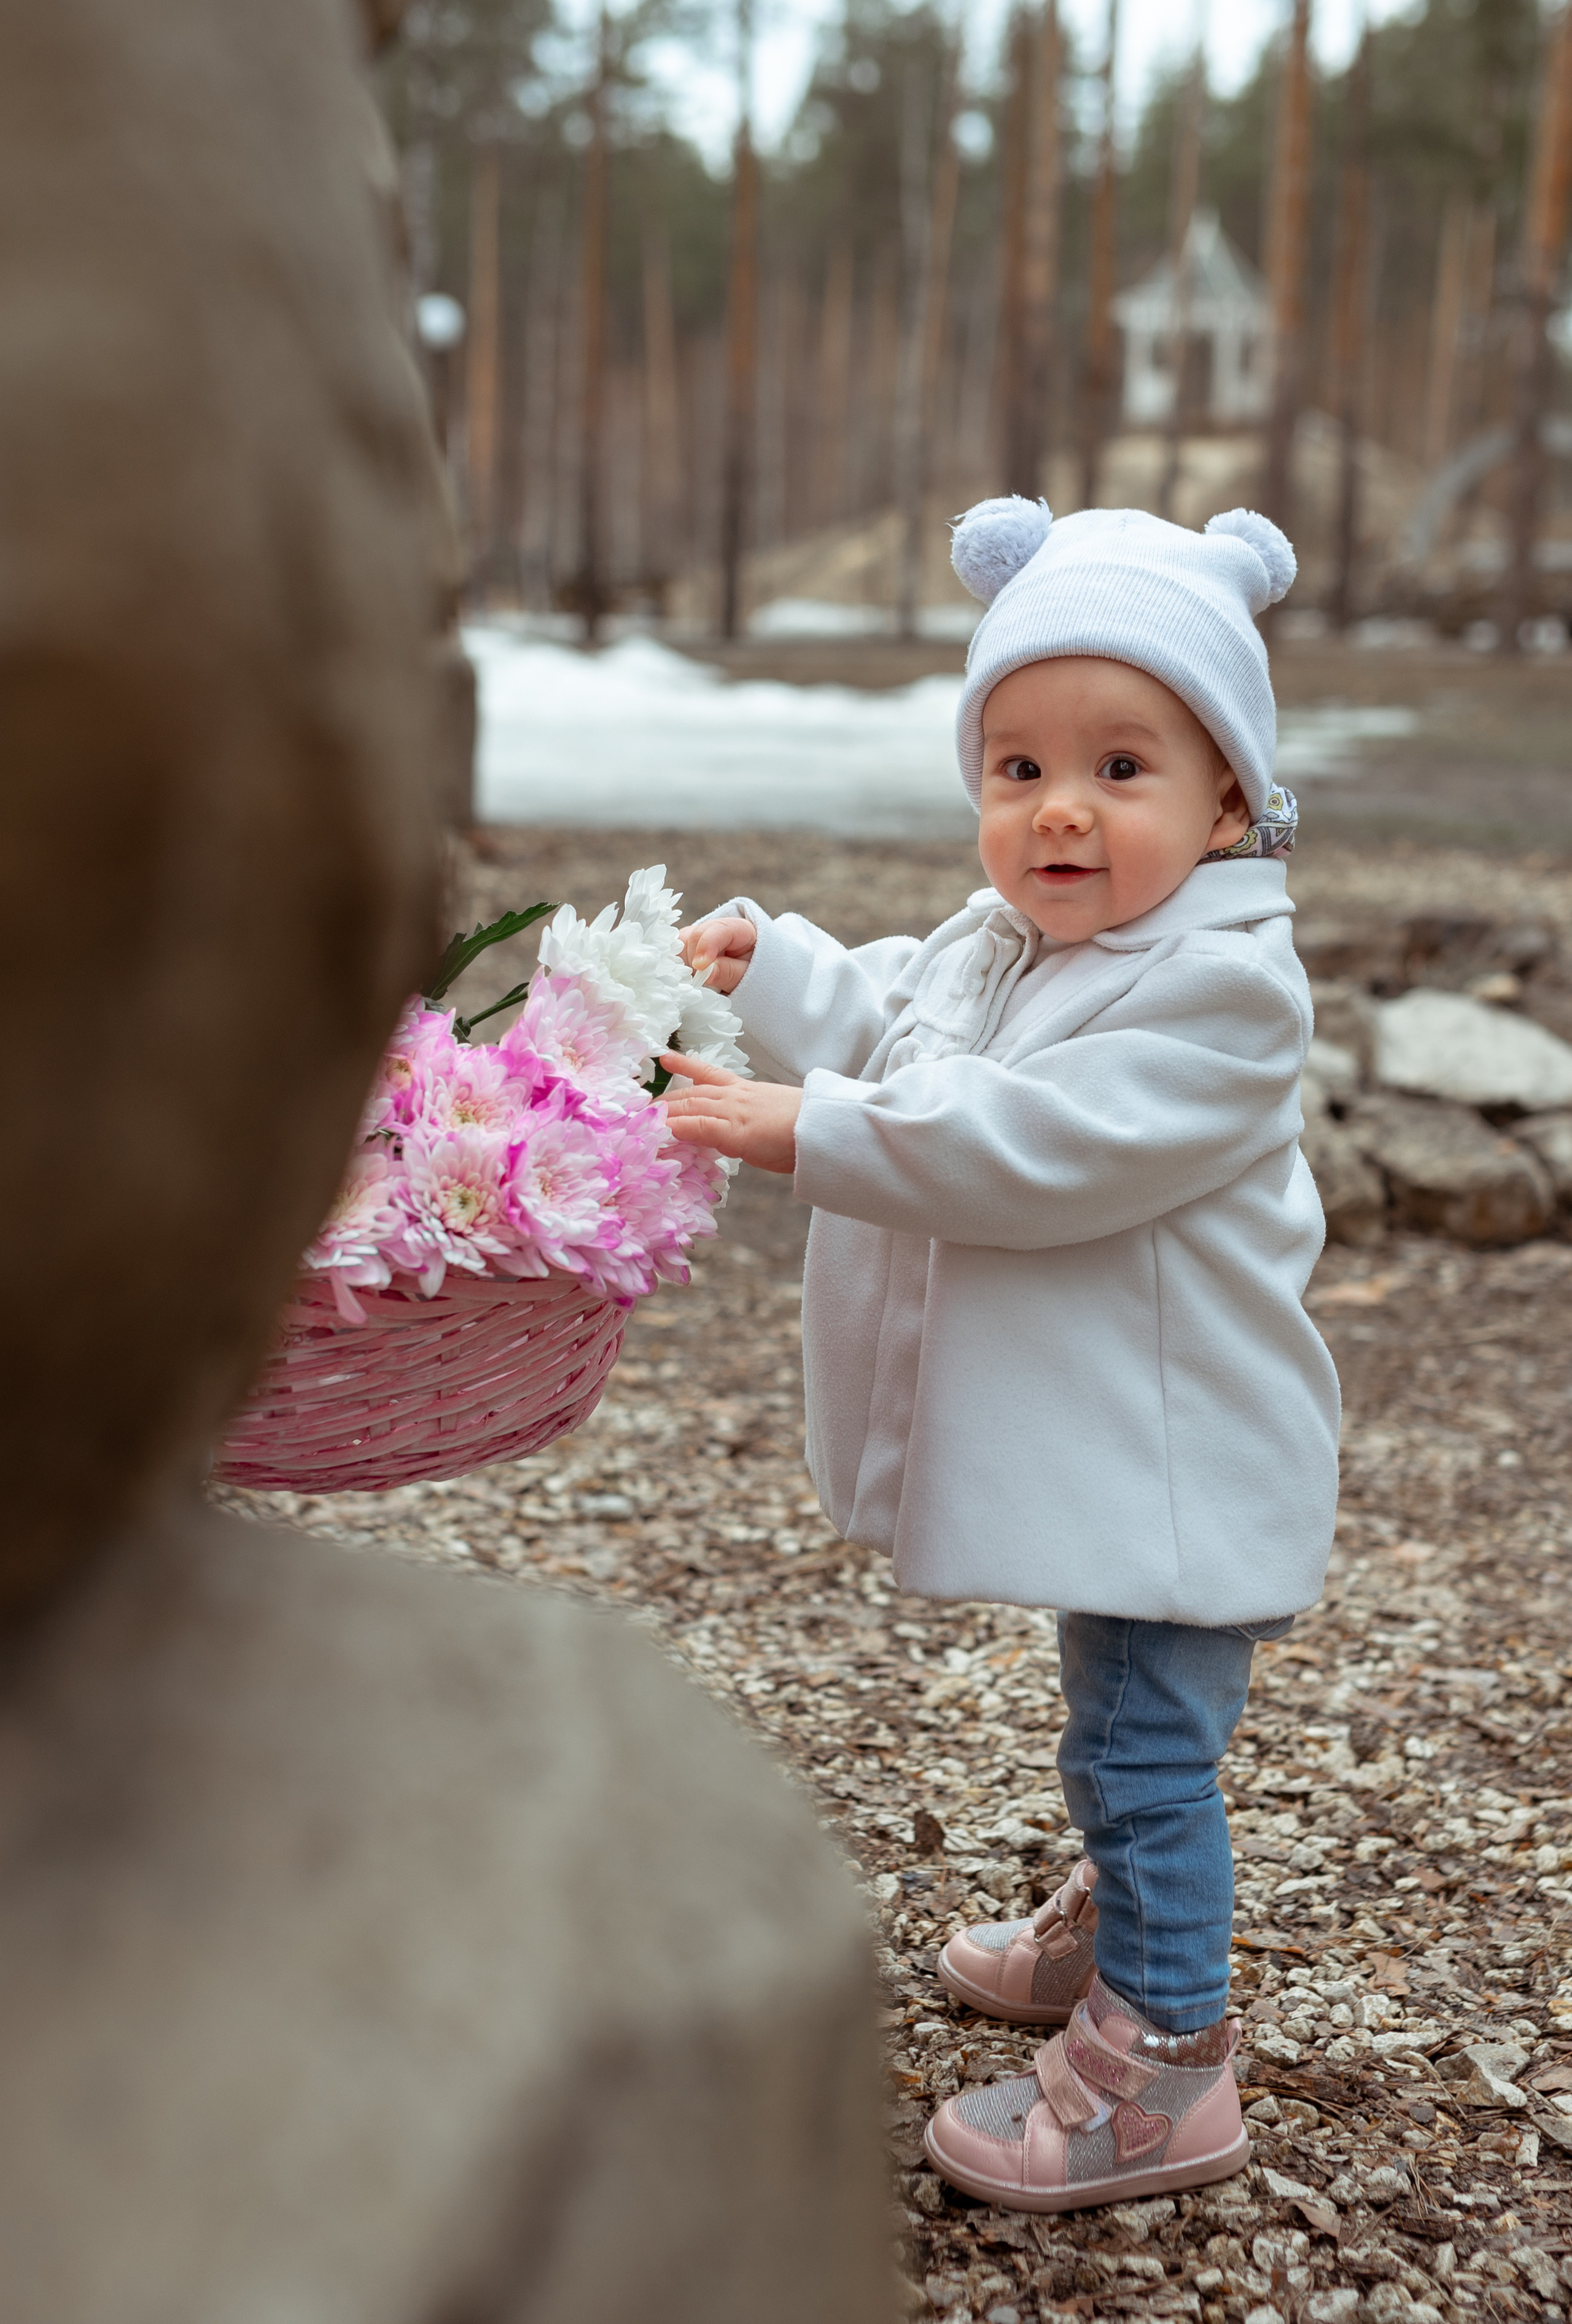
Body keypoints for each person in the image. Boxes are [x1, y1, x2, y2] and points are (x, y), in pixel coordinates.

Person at [661, 498, 1340, 2215]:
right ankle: (1127, 1930)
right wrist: (781, 968)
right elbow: (919, 1028)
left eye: (1121, 767)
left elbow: (1031, 1142)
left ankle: (1167, 2064)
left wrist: (805, 1128)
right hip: (1124, 1458)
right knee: (1119, 1729)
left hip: (1186, 1462)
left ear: (1231, 802)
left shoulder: (1226, 996)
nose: (1060, 808)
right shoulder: (1027, 937)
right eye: (1019, 766)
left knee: (1142, 1752)